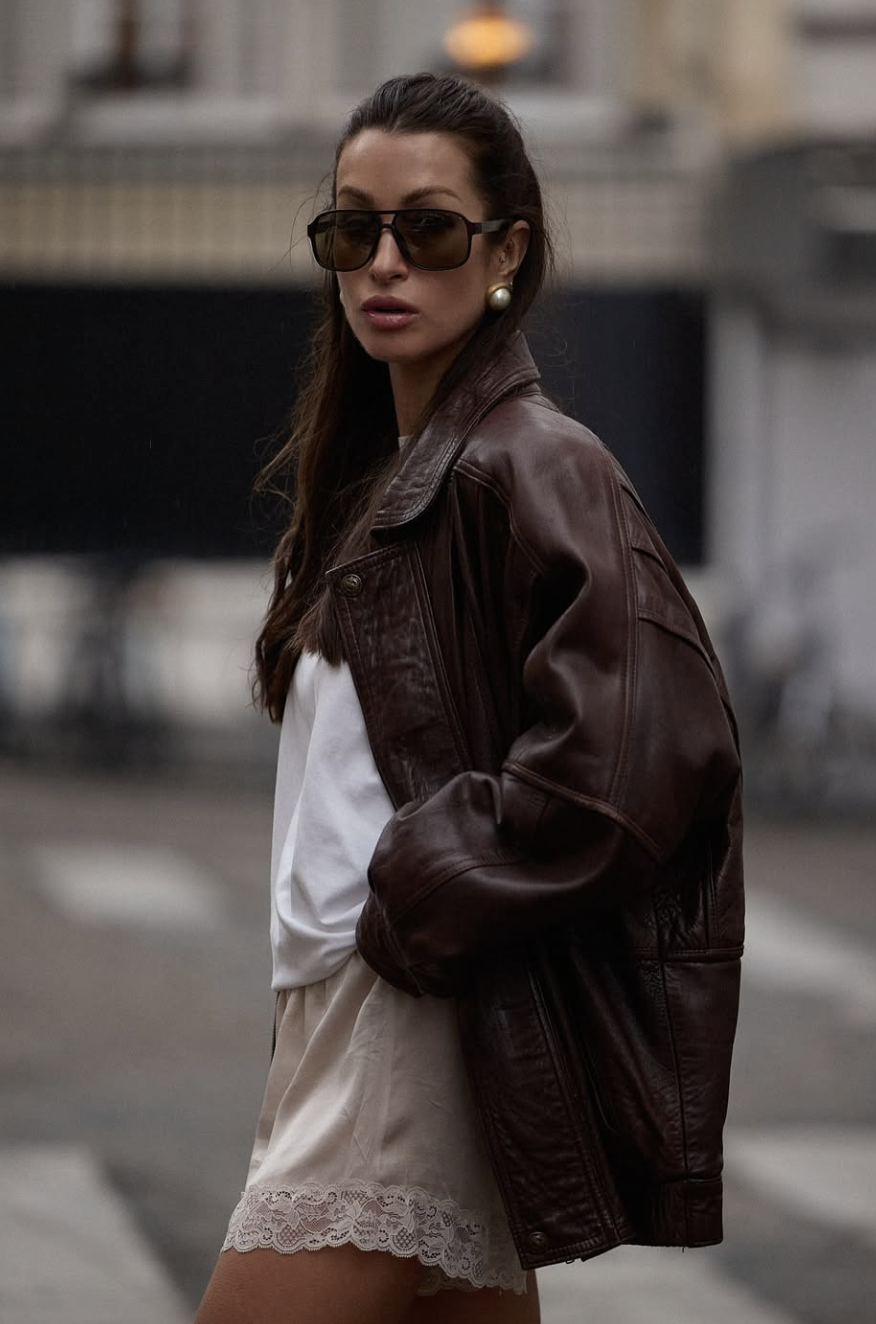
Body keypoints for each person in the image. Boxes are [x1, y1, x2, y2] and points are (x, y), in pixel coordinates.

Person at [194, 72, 744, 1324]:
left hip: (412, 1020)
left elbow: (644, 752)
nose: (384, 261)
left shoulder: (534, 461)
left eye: (428, 228)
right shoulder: (390, 479)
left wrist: (420, 889)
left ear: (506, 251)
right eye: (351, 229)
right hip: (355, 1016)